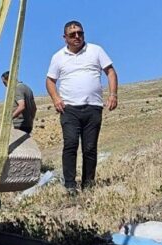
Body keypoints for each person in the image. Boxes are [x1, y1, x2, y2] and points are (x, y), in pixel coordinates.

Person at [46, 20, 118, 193]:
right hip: (69, 109)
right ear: (65, 38)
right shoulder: (58, 57)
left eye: (80, 33)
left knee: (90, 147)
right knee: (70, 144)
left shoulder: (96, 50)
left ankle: (88, 184)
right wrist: (56, 98)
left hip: (93, 107)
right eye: (72, 34)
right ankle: (70, 185)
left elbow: (110, 72)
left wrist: (113, 94)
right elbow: (50, 80)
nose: (77, 36)